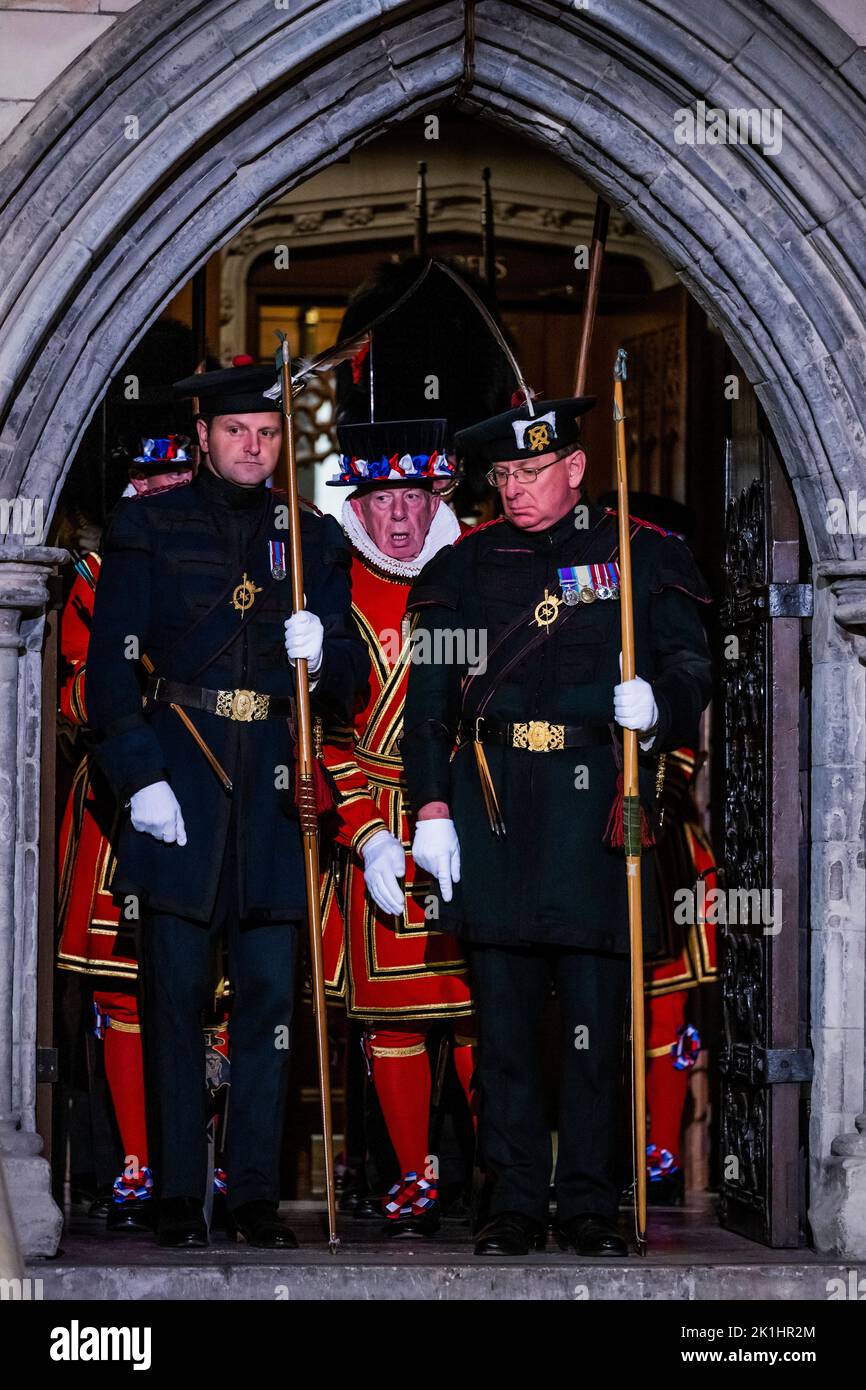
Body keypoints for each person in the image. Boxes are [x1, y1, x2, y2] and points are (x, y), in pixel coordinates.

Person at [401, 393, 713, 1257]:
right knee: (500, 1032)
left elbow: (691, 665)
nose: (515, 489)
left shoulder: (641, 557)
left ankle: (586, 1202)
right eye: (502, 474)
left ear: (576, 468)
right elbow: (429, 700)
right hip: (495, 808)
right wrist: (430, 805)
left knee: (590, 1030)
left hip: (593, 814)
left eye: (531, 471)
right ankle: (511, 1202)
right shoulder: (463, 568)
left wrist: (659, 709)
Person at [84, 362, 369, 1248]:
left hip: (275, 797)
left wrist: (322, 657)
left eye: (271, 433)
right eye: (239, 431)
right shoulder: (148, 525)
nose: (255, 447)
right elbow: (108, 672)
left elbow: (353, 684)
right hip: (182, 775)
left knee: (270, 1010)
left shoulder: (313, 539)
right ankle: (175, 1193)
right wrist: (139, 776)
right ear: (204, 435)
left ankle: (252, 1194)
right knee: (170, 1002)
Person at [319, 416, 476, 1238]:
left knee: (490, 1000)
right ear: (360, 502)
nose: (401, 516)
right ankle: (413, 1174)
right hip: (375, 816)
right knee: (397, 1011)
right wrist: (363, 831)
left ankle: (502, 1177)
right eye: (382, 498)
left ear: (437, 494)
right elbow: (312, 732)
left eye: (414, 495)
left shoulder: (481, 563)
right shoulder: (330, 581)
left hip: (475, 806)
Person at [56, 436, 194, 1232]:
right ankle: (137, 1159)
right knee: (119, 987)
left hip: (218, 793)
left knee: (212, 990)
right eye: (149, 479)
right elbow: (72, 699)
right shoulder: (90, 583)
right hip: (120, 804)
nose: (164, 490)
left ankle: (195, 1164)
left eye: (178, 475)